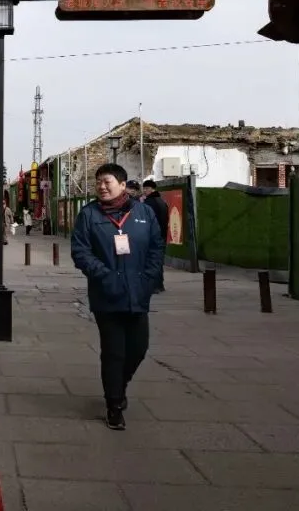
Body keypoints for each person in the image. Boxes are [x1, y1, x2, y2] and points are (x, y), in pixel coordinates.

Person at [71, 163, 162, 430]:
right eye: (98, 181)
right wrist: (105, 276)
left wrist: (148, 279)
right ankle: (114, 404)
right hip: (107, 295)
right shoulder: (89, 214)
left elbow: (156, 247)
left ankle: (119, 386)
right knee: (114, 352)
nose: (102, 186)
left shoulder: (143, 213)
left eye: (107, 181)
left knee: (138, 348)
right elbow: (81, 252)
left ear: (122, 185)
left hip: (138, 293)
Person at [141, 179, 170, 293]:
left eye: (146, 188)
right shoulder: (162, 201)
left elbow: (146, 221)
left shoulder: (149, 203)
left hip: (152, 237)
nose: (144, 191)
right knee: (158, 260)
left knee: (151, 261)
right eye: (144, 188)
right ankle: (159, 284)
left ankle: (154, 286)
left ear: (152, 189)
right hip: (161, 236)